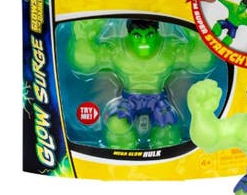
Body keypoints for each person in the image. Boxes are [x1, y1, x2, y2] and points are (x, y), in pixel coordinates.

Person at [68, 18, 215, 149]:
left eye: (149, 35)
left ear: (157, 32)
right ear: (129, 34)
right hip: (129, 99)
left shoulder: (170, 49)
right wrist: (83, 37)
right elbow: (87, 64)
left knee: (167, 133)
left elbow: (200, 62)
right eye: (137, 36)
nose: (144, 42)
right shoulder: (117, 49)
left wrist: (199, 38)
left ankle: (165, 158)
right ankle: (122, 154)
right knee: (116, 125)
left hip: (158, 100)